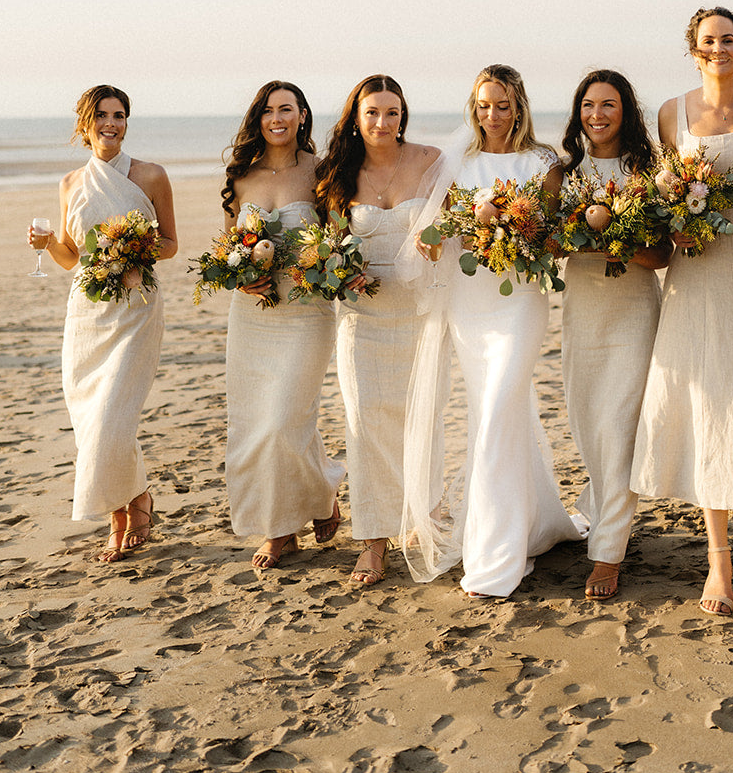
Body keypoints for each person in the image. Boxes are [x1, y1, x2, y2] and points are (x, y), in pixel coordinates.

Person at [402, 63, 586, 598]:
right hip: (471, 303)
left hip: (521, 302)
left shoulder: (543, 163)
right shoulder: (459, 163)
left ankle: (495, 553)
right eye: (483, 105)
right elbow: (435, 234)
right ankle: (532, 523)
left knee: (498, 410)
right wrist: (435, 238)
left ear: (519, 106)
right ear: (473, 107)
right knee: (498, 413)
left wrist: (518, 229)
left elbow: (557, 239)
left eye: (502, 105)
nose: (492, 115)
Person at [631, 8, 733, 617]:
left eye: (729, 39)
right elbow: (658, 192)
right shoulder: (672, 112)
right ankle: (718, 557)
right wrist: (674, 227)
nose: (718, 47)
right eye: (708, 40)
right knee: (711, 396)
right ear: (693, 50)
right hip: (700, 271)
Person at [28, 85, 177, 561]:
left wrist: (134, 249)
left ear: (126, 123)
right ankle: (132, 502)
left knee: (114, 417)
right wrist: (47, 243)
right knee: (92, 420)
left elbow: (171, 243)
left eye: (119, 115)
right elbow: (73, 258)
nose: (111, 123)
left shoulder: (151, 175)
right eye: (102, 115)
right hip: (87, 313)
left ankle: (123, 511)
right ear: (85, 123)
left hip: (136, 308)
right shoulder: (71, 183)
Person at [315, 75, 440, 588]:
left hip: (417, 311)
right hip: (361, 316)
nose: (382, 122)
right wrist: (341, 270)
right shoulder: (337, 174)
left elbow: (449, 224)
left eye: (392, 112)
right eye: (372, 113)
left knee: (417, 417)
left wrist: (433, 241)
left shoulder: (432, 160)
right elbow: (323, 248)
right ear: (356, 117)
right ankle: (372, 540)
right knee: (365, 420)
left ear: (403, 115)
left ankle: (417, 514)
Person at [222, 81, 343, 571]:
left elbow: (338, 238)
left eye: (286, 109)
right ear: (259, 117)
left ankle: (288, 524)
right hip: (252, 317)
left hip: (306, 312)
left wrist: (321, 260)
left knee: (284, 419)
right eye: (269, 110)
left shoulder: (321, 172)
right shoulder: (242, 178)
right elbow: (230, 246)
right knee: (258, 421)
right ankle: (293, 517)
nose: (277, 118)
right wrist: (239, 277)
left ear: (302, 115)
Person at [559, 70, 669, 600]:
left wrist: (623, 245)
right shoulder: (563, 174)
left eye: (608, 104)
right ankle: (600, 507)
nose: (597, 115)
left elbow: (664, 255)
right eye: (588, 105)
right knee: (587, 424)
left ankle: (608, 553)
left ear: (626, 110)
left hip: (631, 311)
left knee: (618, 429)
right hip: (581, 311)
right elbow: (547, 246)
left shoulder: (646, 172)